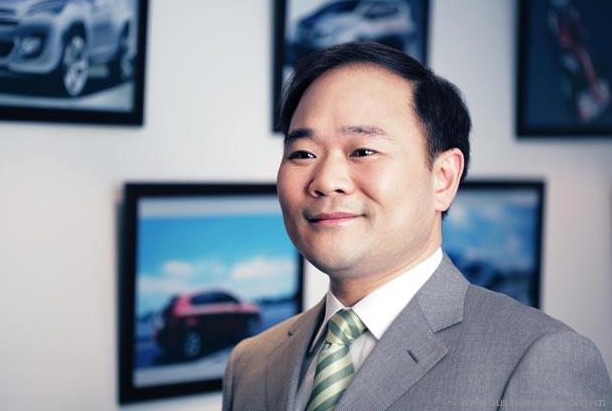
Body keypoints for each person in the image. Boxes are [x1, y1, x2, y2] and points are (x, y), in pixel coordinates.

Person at [222, 42, 612, 411]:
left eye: (363, 151)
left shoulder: (542, 358)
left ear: (443, 178)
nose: (326, 180)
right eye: (303, 154)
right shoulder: (251, 364)